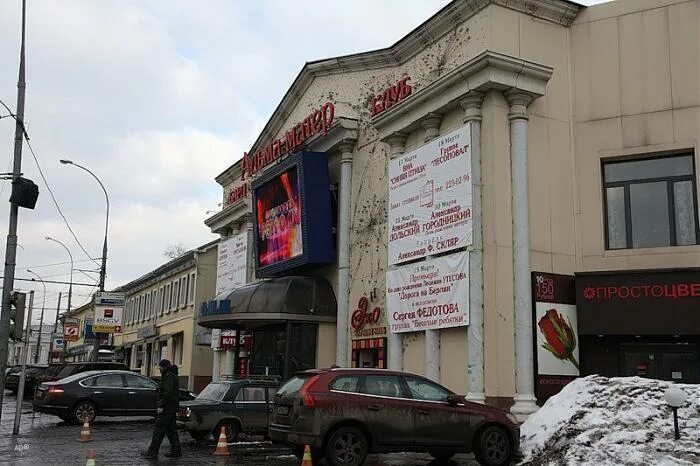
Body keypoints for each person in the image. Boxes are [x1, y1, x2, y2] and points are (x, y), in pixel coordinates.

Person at [141, 359, 182, 459]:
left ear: (164, 367)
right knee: (171, 431)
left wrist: (160, 404)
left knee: (159, 430)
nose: (159, 369)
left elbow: (167, 393)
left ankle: (152, 452)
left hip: (167, 409)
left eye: (160, 367)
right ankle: (176, 451)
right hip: (171, 408)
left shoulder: (168, 376)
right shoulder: (172, 375)